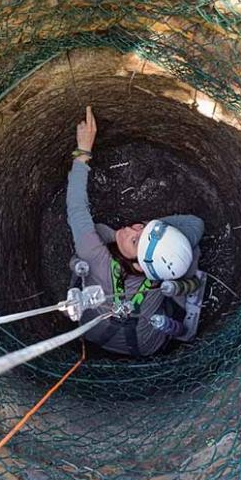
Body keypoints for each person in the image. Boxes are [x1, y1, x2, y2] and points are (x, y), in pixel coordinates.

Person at [67, 105, 205, 357]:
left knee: (97, 233)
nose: (132, 227)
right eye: (142, 228)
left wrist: (83, 151)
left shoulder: (96, 257)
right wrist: (161, 236)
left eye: (136, 240)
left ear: (141, 266)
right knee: (188, 250)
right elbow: (195, 225)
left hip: (88, 330)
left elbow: (77, 207)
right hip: (146, 346)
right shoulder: (162, 271)